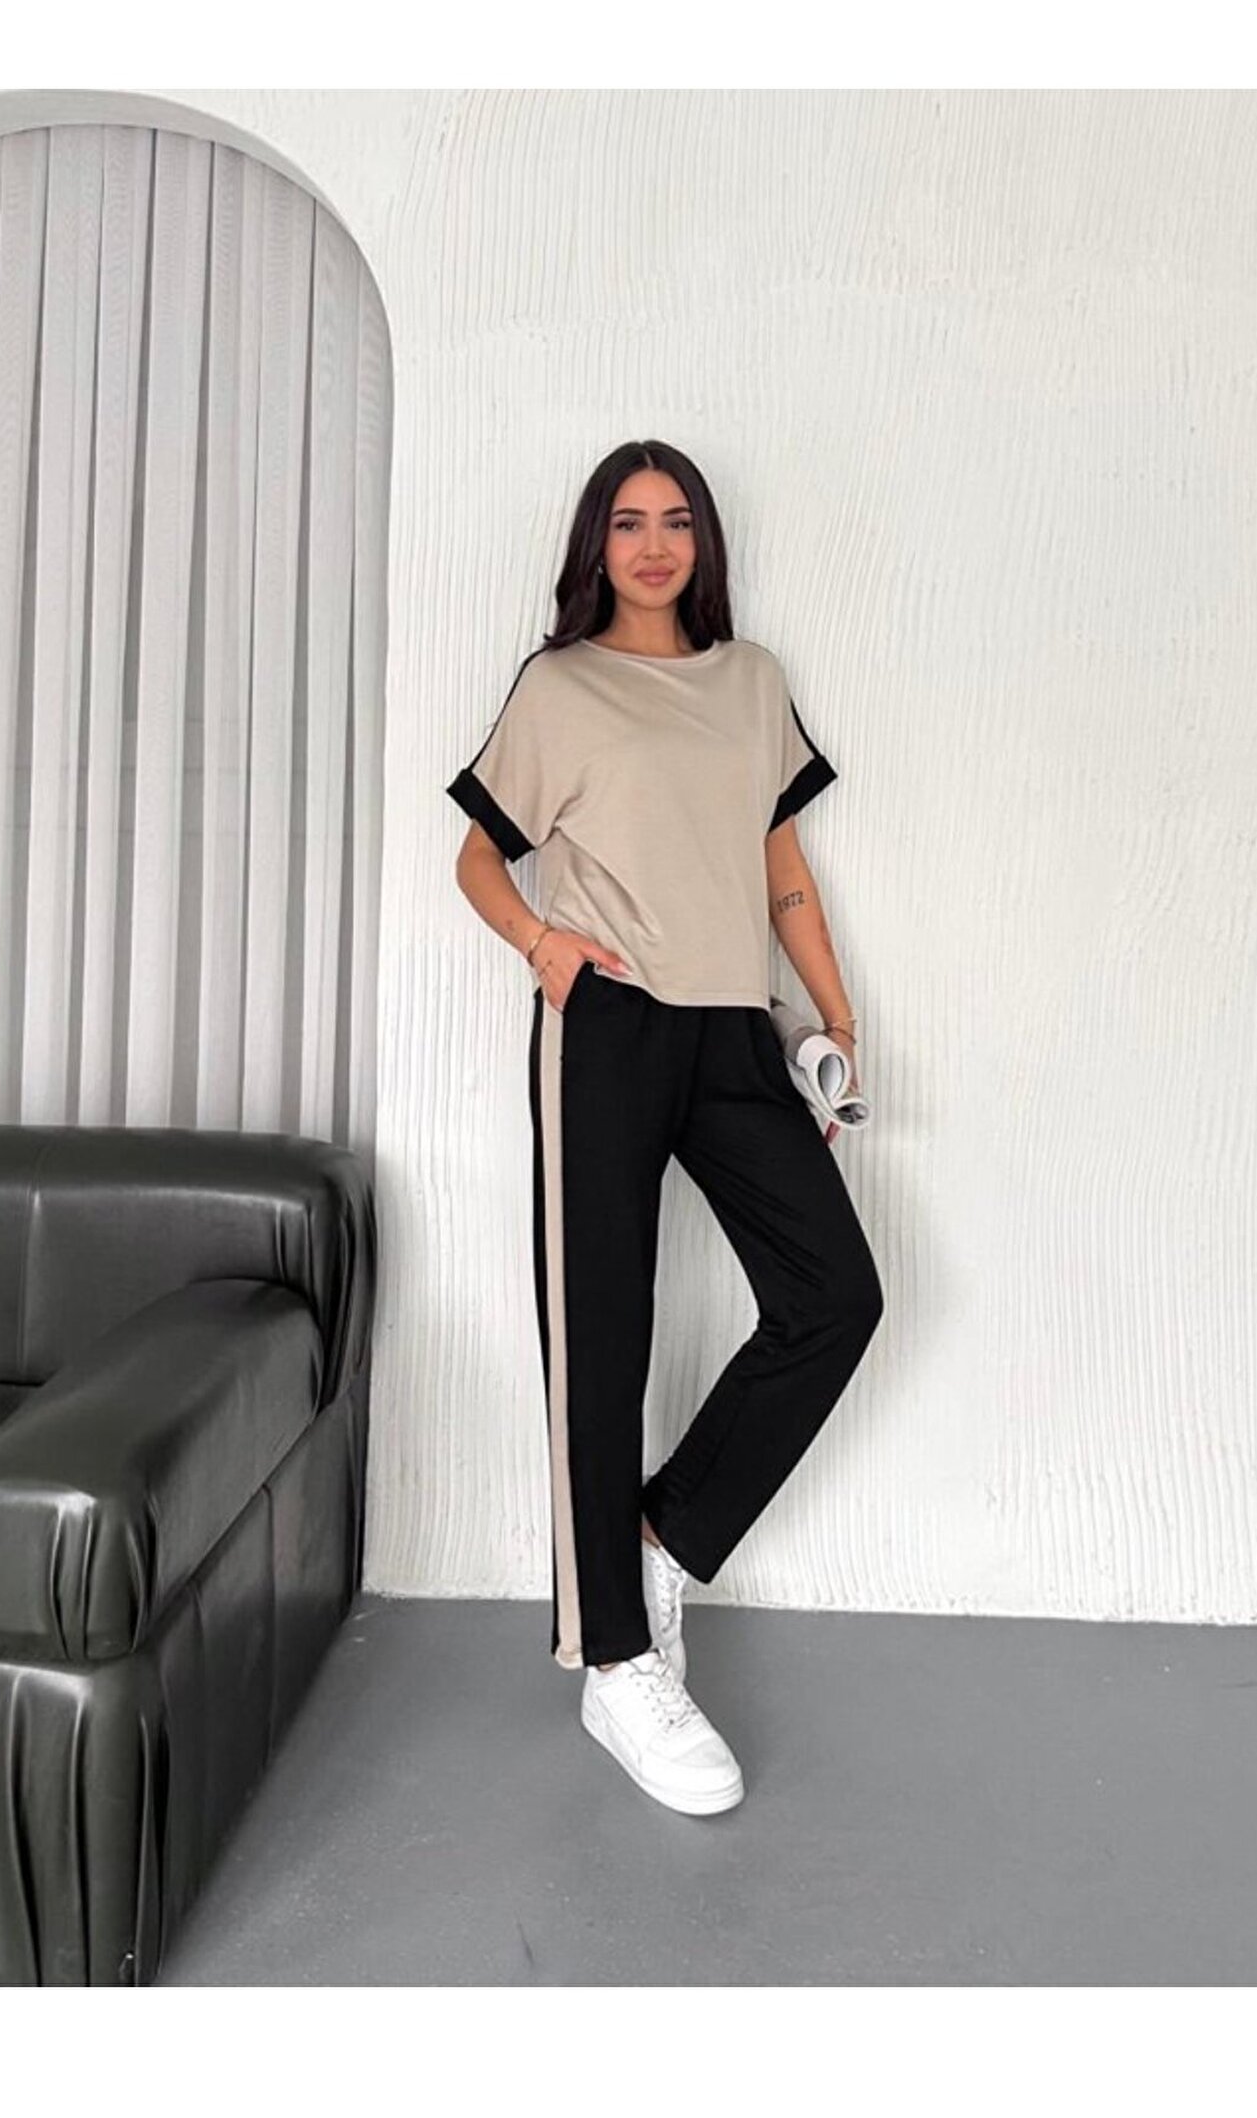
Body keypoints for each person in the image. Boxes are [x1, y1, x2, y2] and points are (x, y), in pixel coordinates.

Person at [445, 439, 884, 1817]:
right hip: (610, 1028)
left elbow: (780, 866)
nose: (652, 545)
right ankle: (616, 1661)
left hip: (735, 1029)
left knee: (835, 1298)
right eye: (628, 522)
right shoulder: (559, 685)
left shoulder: (750, 681)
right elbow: (478, 853)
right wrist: (543, 945)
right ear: (598, 543)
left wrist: (835, 1013)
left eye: (676, 521)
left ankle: (664, 1538)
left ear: (704, 543)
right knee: (604, 1338)